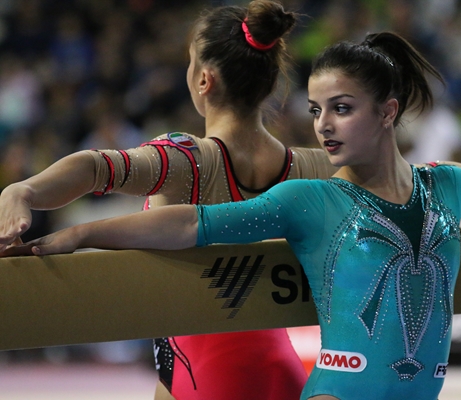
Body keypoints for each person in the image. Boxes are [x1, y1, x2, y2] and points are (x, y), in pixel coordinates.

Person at [5, 31, 461, 400]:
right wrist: (78, 234)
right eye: (316, 110)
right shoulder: (310, 190)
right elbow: (189, 223)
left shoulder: (441, 185)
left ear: (388, 111)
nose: (324, 124)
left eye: (340, 108)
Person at [0, 2, 339, 400]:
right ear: (270, 81)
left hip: (205, 375)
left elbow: (94, 167)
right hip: (282, 371)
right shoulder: (314, 165)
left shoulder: (187, 161)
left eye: (190, 62)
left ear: (204, 79)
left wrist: (22, 190)